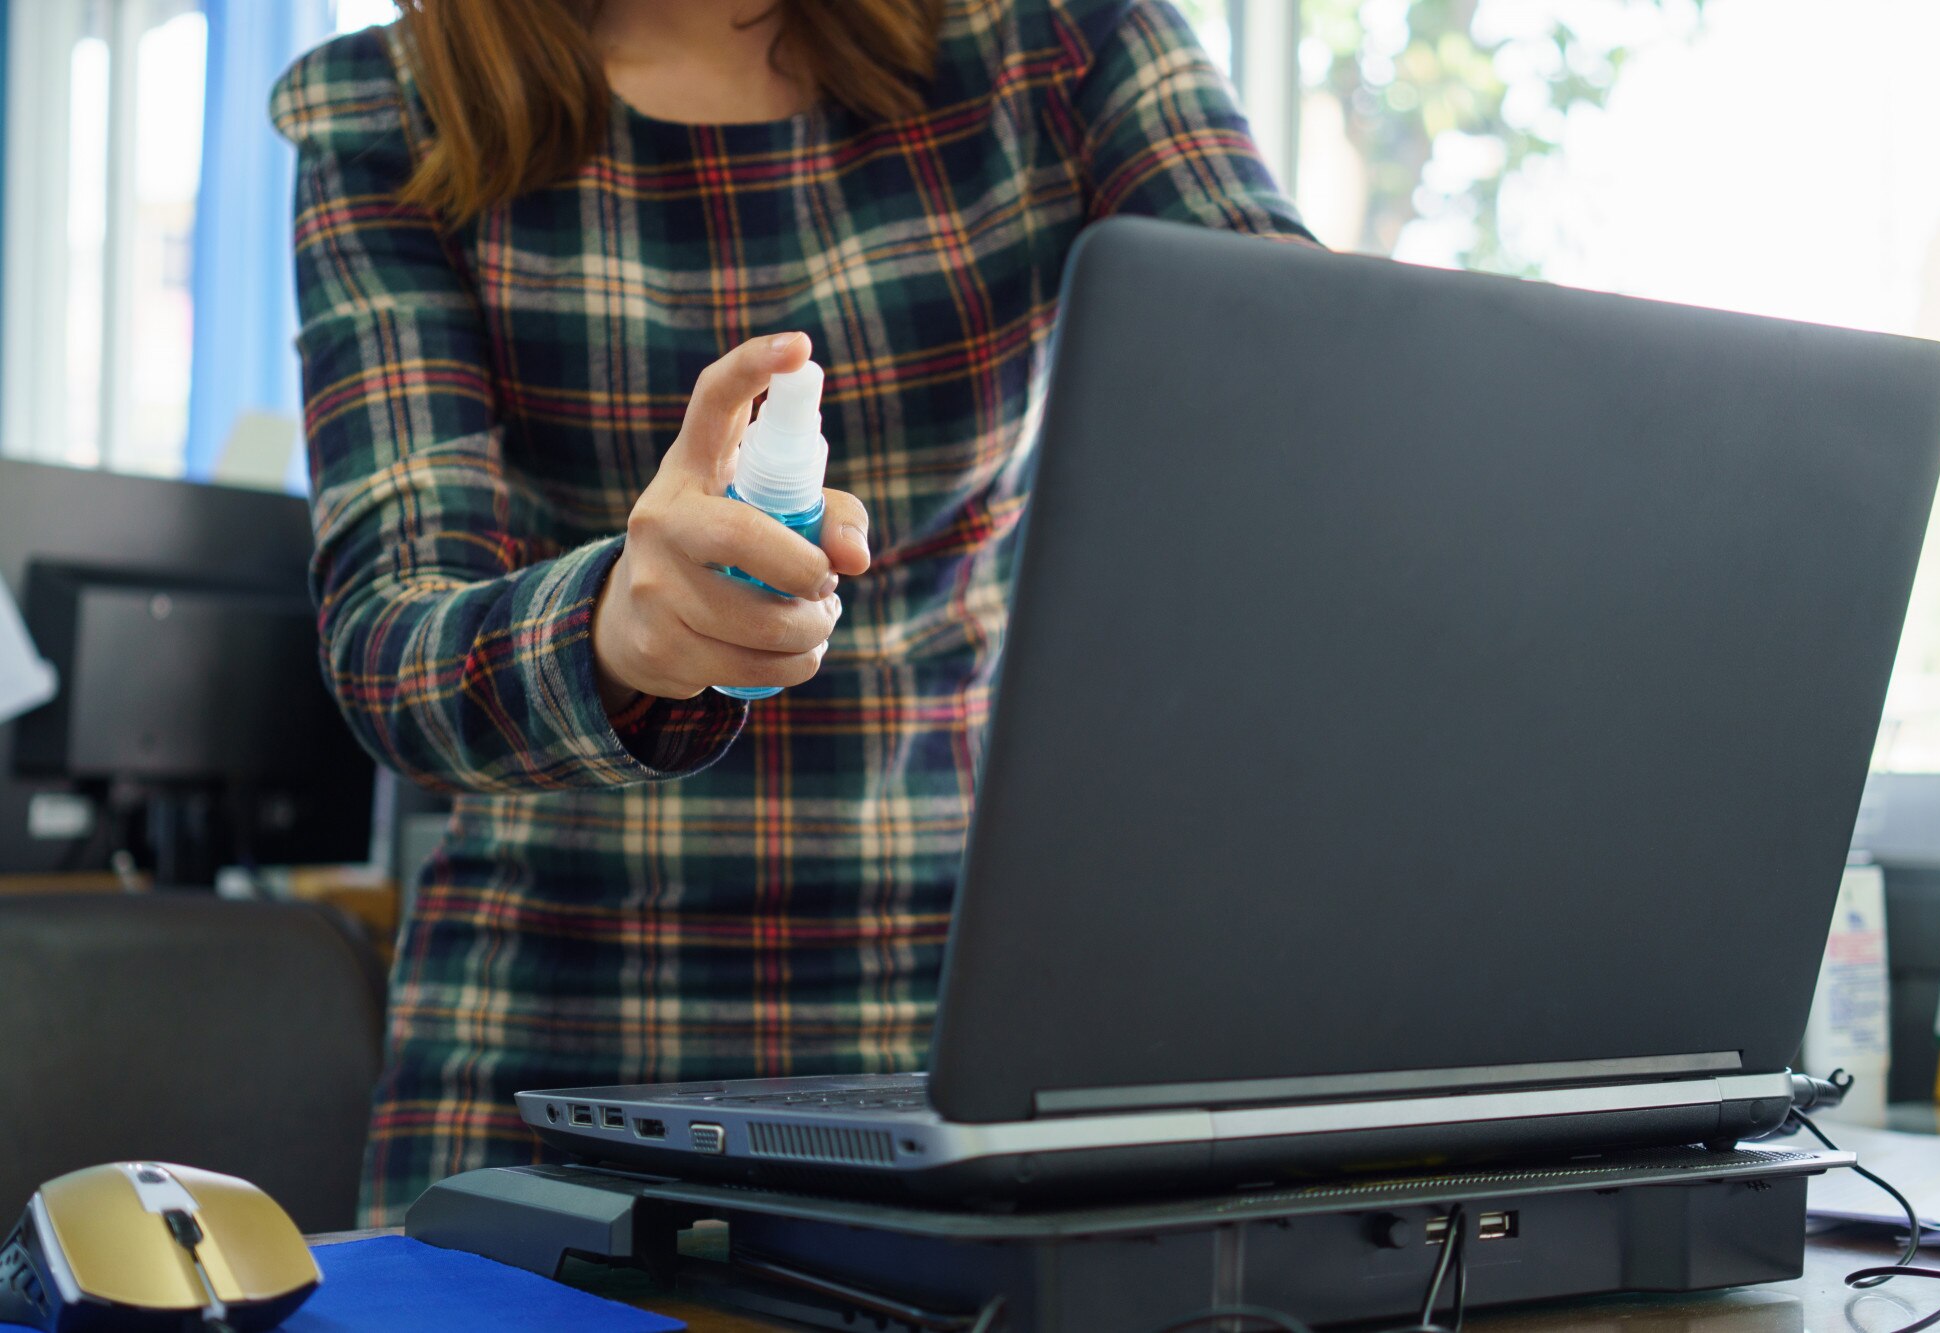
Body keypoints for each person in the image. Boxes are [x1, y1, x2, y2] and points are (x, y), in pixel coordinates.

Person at [273, 0, 1310, 1224]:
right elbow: (387, 636)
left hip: (973, 1018)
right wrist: (611, 628)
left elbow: (1304, 372)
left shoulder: (1060, 40)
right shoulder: (390, 103)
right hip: (550, 1027)